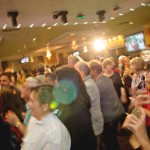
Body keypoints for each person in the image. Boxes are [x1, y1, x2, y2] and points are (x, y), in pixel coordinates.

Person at [55, 67, 97, 150]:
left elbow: (89, 142)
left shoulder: (79, 110)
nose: (55, 85)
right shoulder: (67, 103)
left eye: (57, 82)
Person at [89, 60, 125, 150]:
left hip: (110, 117)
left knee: (110, 141)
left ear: (94, 70)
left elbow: (95, 102)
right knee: (112, 140)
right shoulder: (103, 79)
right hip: (113, 113)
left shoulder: (99, 83)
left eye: (89, 70)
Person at [21, 85, 71, 150]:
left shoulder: (54, 132)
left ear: (44, 106)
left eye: (31, 101)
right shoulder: (34, 118)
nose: (28, 104)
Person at [74, 61, 104, 149]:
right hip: (93, 123)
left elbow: (83, 106)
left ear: (82, 72)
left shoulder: (88, 85)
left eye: (76, 71)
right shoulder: (86, 83)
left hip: (94, 124)